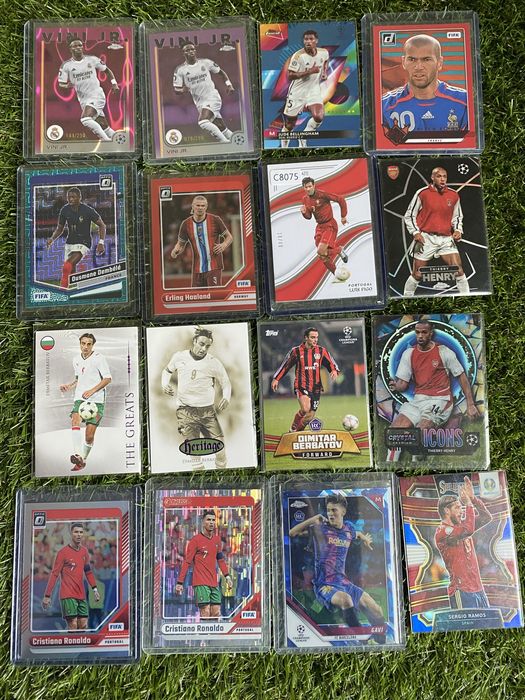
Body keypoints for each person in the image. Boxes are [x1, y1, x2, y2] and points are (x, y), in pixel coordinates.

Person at [290, 494, 386, 641]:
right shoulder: (320, 529)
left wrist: (364, 538)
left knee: (377, 609)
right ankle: (362, 640)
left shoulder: (348, 529)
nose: (330, 514)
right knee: (346, 600)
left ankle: (381, 641)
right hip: (325, 584)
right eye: (328, 510)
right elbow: (292, 532)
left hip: (344, 583)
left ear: (343, 512)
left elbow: (356, 534)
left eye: (334, 510)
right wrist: (313, 518)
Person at [386, 319, 480, 462]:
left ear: (431, 333)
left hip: (440, 400)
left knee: (420, 433)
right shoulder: (409, 354)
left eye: (424, 332)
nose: (420, 336)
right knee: (394, 433)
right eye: (417, 332)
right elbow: (403, 384)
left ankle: (418, 462)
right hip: (418, 400)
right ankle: (390, 465)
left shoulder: (444, 352)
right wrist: (396, 386)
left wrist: (471, 404)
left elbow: (461, 376)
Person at [162, 327, 230, 468]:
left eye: (207, 346)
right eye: (201, 344)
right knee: (195, 455)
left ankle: (221, 473)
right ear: (194, 341)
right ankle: (199, 475)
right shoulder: (179, 357)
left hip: (207, 412)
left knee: (220, 450)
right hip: (186, 411)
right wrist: (164, 384)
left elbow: (225, 382)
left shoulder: (213, 362)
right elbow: (167, 371)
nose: (204, 349)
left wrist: (226, 397)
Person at [381, 34, 468, 143]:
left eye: (426, 59)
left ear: (439, 63)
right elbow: (386, 145)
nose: (418, 67)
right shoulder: (384, 106)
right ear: (403, 62)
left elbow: (469, 144)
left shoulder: (465, 101)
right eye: (412, 59)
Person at [403, 166, 469, 295]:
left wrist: (458, 230)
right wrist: (415, 232)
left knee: (458, 270)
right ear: (432, 177)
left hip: (446, 239)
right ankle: (406, 298)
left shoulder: (453, 195)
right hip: (426, 238)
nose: (442, 179)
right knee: (417, 274)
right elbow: (409, 215)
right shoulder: (422, 193)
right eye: (439, 176)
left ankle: (467, 297)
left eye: (444, 176)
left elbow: (457, 216)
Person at [435, 476, 492, 609]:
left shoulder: (461, 526)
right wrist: (468, 504)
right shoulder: (442, 532)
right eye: (457, 508)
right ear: (446, 510)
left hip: (478, 589)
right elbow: (468, 530)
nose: (462, 511)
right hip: (461, 591)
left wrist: (473, 499)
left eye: (462, 508)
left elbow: (486, 517)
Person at [60, 332, 111, 471]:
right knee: (75, 420)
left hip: (97, 400)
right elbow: (79, 378)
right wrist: (69, 386)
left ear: (93, 345)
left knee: (89, 436)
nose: (85, 346)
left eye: (89, 344)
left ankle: (83, 459)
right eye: (83, 343)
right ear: (80, 344)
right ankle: (77, 454)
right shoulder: (76, 359)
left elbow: (107, 379)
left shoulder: (99, 358)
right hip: (80, 398)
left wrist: (92, 391)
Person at [271, 327, 339, 432]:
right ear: (306, 338)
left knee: (310, 417)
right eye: (312, 337)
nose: (315, 340)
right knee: (305, 408)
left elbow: (331, 362)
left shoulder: (321, 351)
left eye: (316, 337)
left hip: (316, 387)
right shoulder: (296, 351)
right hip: (301, 385)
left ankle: (297, 433)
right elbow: (285, 365)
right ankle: (293, 428)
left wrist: (333, 370)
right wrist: (276, 378)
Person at [58, 38, 120, 142]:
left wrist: (114, 84)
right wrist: (67, 85)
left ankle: (106, 141)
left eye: (80, 45)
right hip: (83, 99)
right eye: (75, 46)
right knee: (104, 127)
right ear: (70, 48)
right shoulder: (66, 66)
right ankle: (120, 140)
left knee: (85, 119)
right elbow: (61, 83)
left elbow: (107, 70)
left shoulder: (92, 59)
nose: (78, 47)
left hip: (96, 95)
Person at [42, 523, 101, 630]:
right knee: (73, 624)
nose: (79, 535)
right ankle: (72, 641)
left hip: (81, 594)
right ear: (71, 533)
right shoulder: (62, 553)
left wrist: (95, 589)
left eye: (81, 532)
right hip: (67, 595)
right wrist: (47, 595)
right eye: (76, 532)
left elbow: (88, 572)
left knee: (83, 625)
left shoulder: (84, 551)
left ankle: (80, 641)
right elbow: (54, 574)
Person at [173, 42, 235, 143]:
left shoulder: (206, 62)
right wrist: (182, 90)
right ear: (183, 53)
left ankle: (225, 143)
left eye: (192, 49)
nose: (191, 51)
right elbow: (176, 89)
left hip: (212, 97)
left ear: (195, 50)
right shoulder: (180, 70)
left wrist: (229, 85)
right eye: (187, 50)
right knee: (222, 128)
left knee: (203, 122)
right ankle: (237, 141)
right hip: (200, 103)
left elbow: (221, 72)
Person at [175, 510, 232, 619]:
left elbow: (220, 560)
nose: (211, 522)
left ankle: (213, 631)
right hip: (200, 582)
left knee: (216, 613)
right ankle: (204, 630)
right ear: (203, 522)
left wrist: (227, 576)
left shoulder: (217, 540)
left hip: (213, 582)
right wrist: (180, 582)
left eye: (213, 520)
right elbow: (187, 562)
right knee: (205, 612)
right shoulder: (195, 540)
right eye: (208, 520)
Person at [46, 187, 106, 289]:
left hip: (84, 242)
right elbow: (60, 228)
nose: (71, 199)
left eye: (73, 197)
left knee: (67, 265)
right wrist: (52, 238)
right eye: (69, 197)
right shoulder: (64, 210)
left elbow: (102, 225)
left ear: (79, 197)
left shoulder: (87, 210)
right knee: (71, 271)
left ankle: (62, 290)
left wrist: (101, 242)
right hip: (70, 242)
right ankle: (73, 291)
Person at [169, 195, 233, 287]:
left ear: (206, 207)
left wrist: (223, 245)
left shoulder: (215, 220)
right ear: (193, 206)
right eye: (198, 205)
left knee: (214, 294)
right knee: (197, 295)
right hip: (197, 269)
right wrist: (175, 250)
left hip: (214, 266)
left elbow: (229, 237)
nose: (200, 208)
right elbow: (180, 244)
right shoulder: (186, 224)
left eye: (203, 206)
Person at [280, 29, 329, 148]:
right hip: (297, 92)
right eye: (306, 39)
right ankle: (284, 148)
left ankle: (304, 136)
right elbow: (290, 75)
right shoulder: (298, 56)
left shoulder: (323, 52)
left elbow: (325, 61)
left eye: (311, 39)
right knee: (290, 125)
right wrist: (309, 71)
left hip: (313, 90)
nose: (308, 41)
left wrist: (324, 72)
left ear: (316, 41)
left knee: (319, 117)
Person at [300, 177, 349, 280]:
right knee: (322, 255)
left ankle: (339, 250)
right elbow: (309, 217)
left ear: (314, 186)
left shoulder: (322, 194)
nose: (308, 189)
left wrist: (343, 216)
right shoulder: (305, 199)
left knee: (321, 251)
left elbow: (340, 199)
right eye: (306, 187)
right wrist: (304, 212)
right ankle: (337, 275)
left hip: (329, 225)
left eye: (310, 186)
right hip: (319, 227)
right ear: (303, 188)